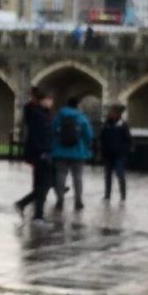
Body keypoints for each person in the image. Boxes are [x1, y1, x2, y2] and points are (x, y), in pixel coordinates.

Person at [15, 87, 56, 221]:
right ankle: (36, 214)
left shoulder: (44, 113)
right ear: (42, 100)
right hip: (41, 153)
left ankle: (31, 209)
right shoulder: (38, 114)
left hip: (45, 152)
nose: (51, 102)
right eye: (49, 99)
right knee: (44, 184)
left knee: (44, 184)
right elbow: (37, 135)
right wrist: (42, 152)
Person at [51, 94, 95, 212]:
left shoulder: (59, 116)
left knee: (60, 175)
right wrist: (86, 145)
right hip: (78, 152)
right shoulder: (81, 117)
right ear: (77, 106)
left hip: (60, 152)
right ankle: (78, 200)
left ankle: (60, 199)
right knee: (78, 177)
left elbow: (52, 131)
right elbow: (89, 135)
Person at [100, 103, 132, 203]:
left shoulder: (123, 125)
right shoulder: (106, 124)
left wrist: (124, 151)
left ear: (117, 114)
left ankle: (123, 195)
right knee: (107, 175)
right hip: (108, 154)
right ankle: (107, 195)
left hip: (119, 155)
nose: (110, 113)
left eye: (112, 112)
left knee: (120, 174)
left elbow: (128, 140)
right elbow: (102, 138)